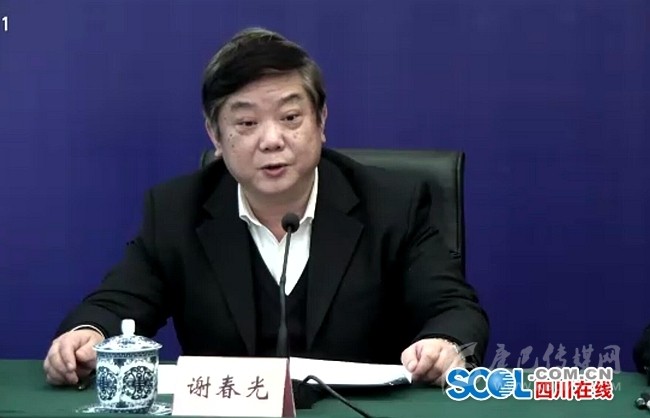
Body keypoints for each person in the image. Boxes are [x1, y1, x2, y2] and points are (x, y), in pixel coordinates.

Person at [43, 27, 489, 388]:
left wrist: (444, 343)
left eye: (291, 118)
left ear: (321, 121)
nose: (272, 140)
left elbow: (453, 308)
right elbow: (116, 303)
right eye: (247, 123)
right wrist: (86, 336)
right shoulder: (177, 211)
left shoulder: (392, 205)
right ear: (216, 136)